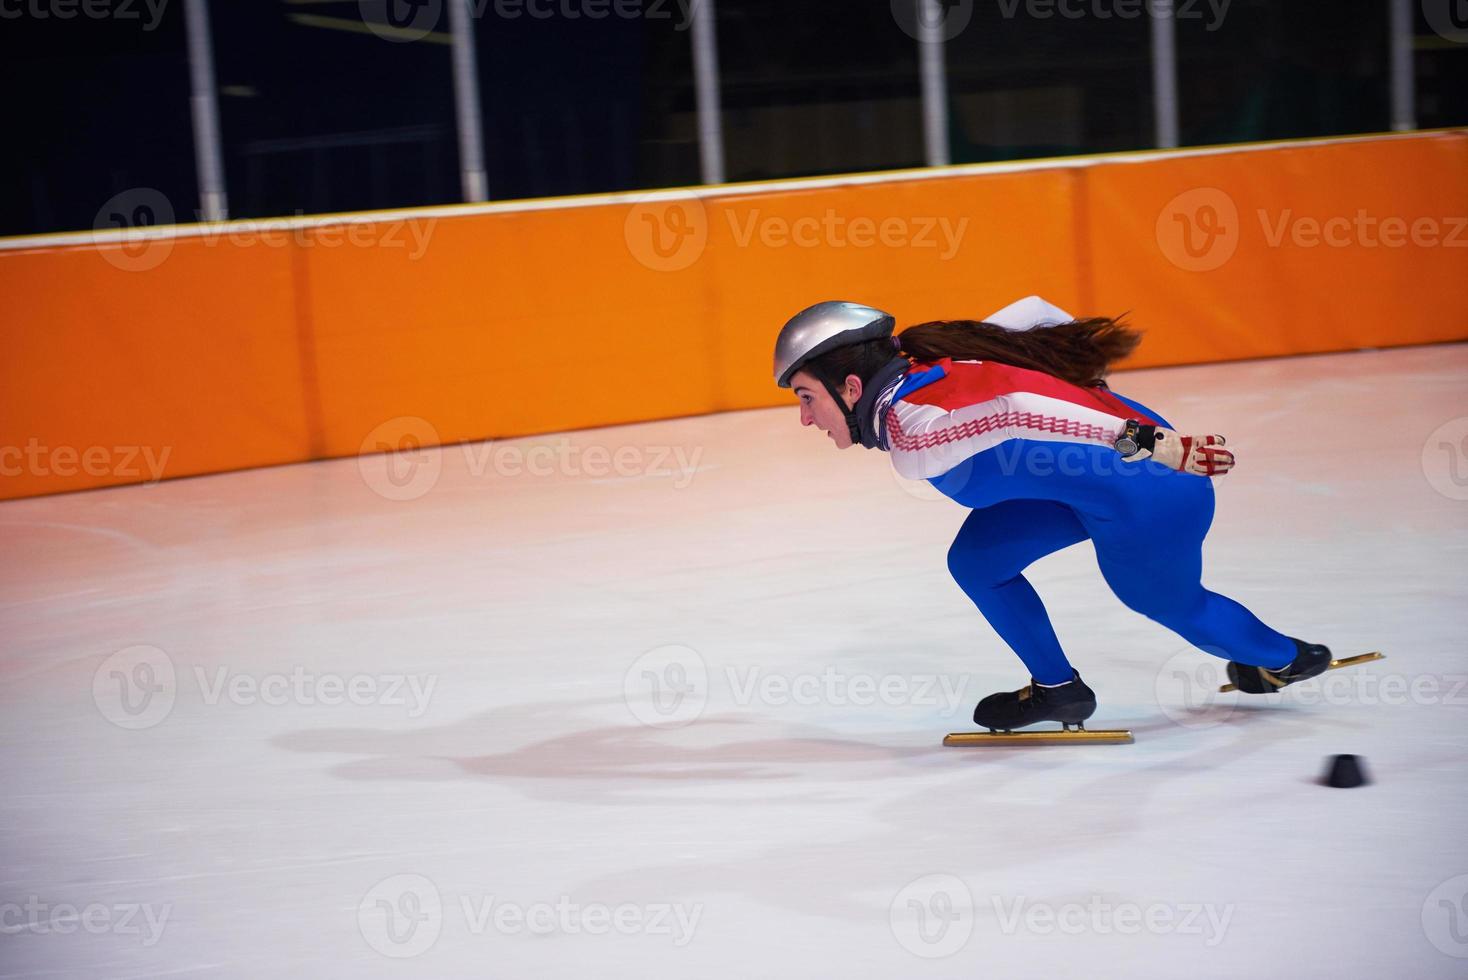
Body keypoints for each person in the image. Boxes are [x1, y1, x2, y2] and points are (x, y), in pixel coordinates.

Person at [772, 297, 1334, 731]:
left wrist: (1150, 442)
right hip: (1090, 491)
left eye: (805, 398)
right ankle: (1058, 688)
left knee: (1168, 603)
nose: (805, 420)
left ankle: (1285, 658)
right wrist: (1094, 389)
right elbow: (1035, 311)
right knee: (975, 561)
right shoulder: (929, 356)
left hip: (1155, 489)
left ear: (850, 387)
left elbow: (1013, 412)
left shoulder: (911, 436)